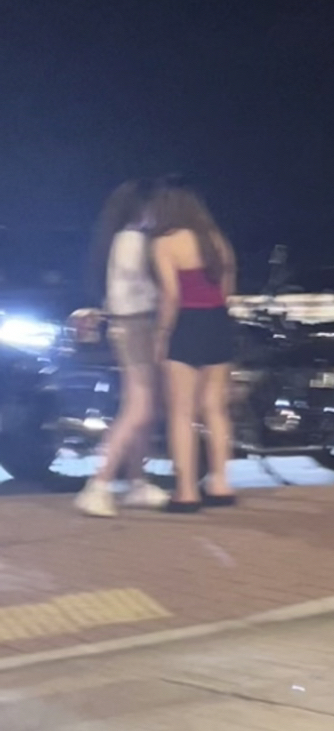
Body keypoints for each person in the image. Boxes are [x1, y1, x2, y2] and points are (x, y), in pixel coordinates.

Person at [74, 179, 170, 518]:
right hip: (137, 324)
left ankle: (136, 481)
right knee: (139, 408)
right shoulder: (134, 240)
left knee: (142, 407)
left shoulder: (116, 239)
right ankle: (99, 484)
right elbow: (144, 287)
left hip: (126, 324)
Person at [149, 184, 239, 512]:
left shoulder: (164, 242)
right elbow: (226, 289)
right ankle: (220, 483)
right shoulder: (216, 240)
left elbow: (171, 295)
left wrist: (161, 334)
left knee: (182, 412)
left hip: (186, 324)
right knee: (215, 408)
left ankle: (186, 491)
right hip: (218, 321)